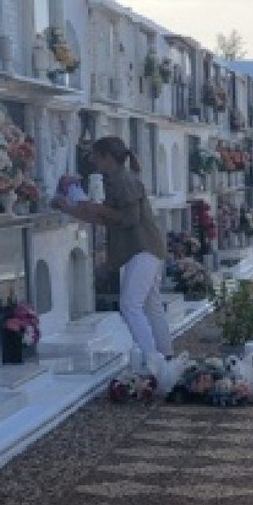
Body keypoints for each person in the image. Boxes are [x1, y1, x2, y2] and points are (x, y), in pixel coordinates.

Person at [52, 137, 173, 368]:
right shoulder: (114, 179)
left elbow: (129, 218)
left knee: (130, 304)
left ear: (108, 157)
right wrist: (71, 207)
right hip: (145, 247)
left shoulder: (124, 180)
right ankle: (165, 354)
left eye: (96, 157)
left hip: (142, 247)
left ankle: (152, 359)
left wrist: (93, 206)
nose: (94, 162)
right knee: (150, 304)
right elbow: (104, 218)